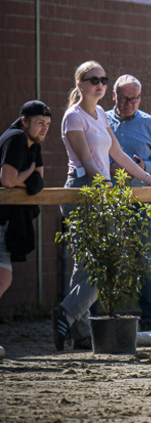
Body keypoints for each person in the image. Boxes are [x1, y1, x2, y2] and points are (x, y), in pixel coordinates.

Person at [54, 61, 151, 351]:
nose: (99, 83)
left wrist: (148, 178)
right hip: (83, 191)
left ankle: (78, 331)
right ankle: (66, 312)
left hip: (101, 193)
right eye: (93, 80)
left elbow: (120, 155)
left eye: (103, 78)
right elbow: (87, 161)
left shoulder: (100, 113)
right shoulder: (72, 117)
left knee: (86, 265)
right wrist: (107, 187)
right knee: (99, 262)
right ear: (80, 84)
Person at [106, 75, 151, 331]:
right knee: (108, 257)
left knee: (145, 260)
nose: (129, 103)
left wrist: (144, 166)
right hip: (109, 202)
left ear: (141, 98)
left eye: (134, 99)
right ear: (114, 96)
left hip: (142, 203)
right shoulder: (102, 121)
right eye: (124, 98)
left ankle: (148, 321)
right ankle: (106, 317)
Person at [0, 101, 51, 310]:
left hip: (5, 222)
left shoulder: (33, 143)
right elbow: (7, 180)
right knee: (3, 279)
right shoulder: (17, 138)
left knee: (3, 278)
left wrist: (27, 177)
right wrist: (27, 176)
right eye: (40, 123)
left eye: (47, 123)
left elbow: (39, 181)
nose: (44, 128)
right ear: (24, 121)